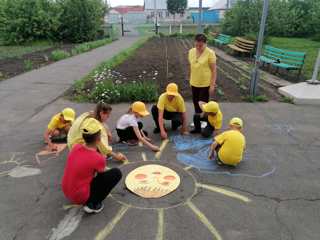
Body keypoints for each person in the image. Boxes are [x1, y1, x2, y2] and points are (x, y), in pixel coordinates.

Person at [62, 118, 122, 213]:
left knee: (94, 173)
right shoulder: (98, 158)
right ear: (99, 139)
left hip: (67, 190)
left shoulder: (76, 147)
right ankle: (93, 204)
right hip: (79, 197)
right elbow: (102, 175)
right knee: (116, 173)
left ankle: (88, 198)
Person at [188, 34, 217, 114]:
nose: (198, 47)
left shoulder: (210, 53)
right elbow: (191, 67)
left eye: (200, 45)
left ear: (205, 43)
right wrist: (190, 79)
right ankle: (197, 120)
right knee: (195, 102)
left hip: (205, 83)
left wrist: (212, 85)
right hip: (194, 82)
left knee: (203, 104)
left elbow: (214, 70)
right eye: (196, 45)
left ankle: (205, 119)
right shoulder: (191, 52)